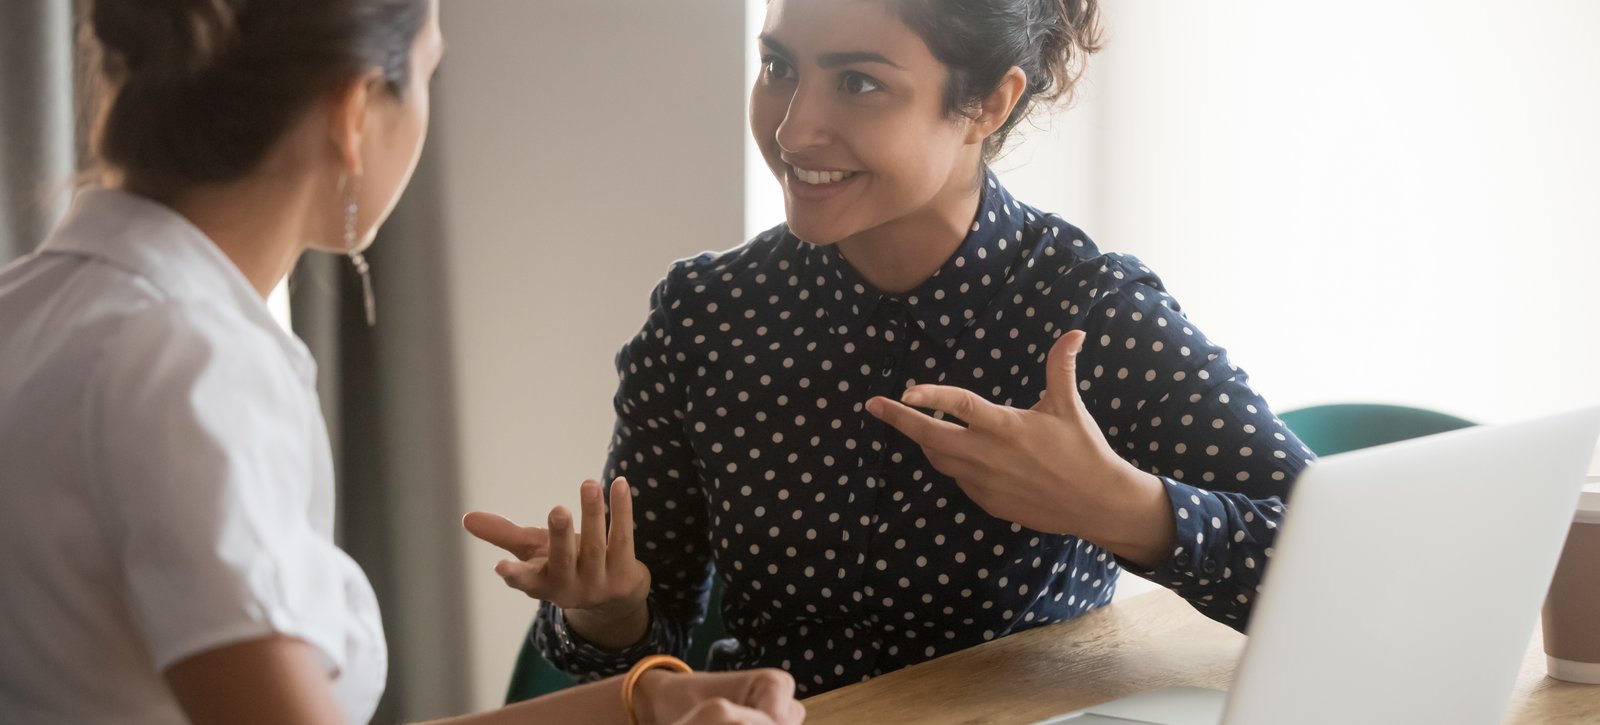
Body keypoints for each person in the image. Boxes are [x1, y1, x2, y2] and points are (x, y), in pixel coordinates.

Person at [469, 0, 1314, 698]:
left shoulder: (1091, 317)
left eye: (860, 83)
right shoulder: (706, 315)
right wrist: (606, 613)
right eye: (779, 68)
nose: (795, 129)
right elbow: (647, 655)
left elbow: (1332, 575)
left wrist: (1123, 508)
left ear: (989, 102)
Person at [0, 1, 805, 724]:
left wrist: (643, 700)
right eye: (424, 73)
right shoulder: (192, 366)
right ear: (354, 111)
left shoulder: (29, 304)